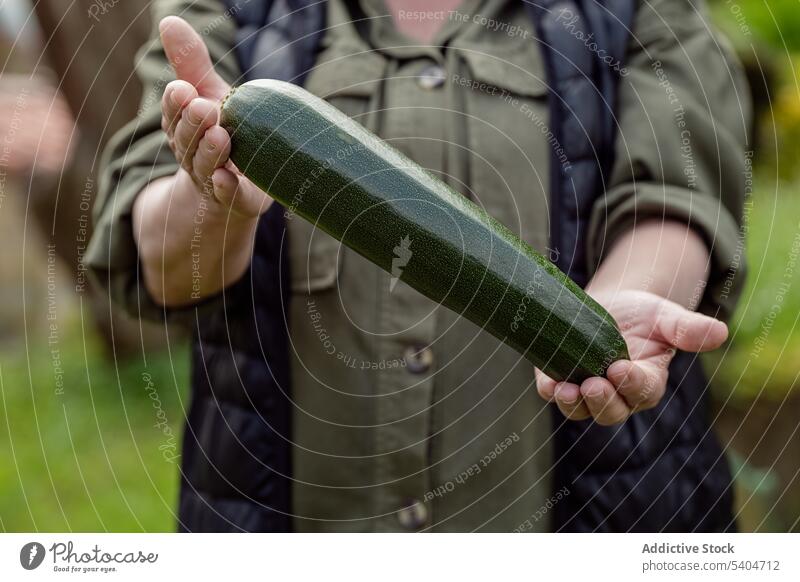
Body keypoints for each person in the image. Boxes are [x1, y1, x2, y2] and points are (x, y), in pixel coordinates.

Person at [87, 0, 751, 532]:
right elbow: (163, 266)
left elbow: (675, 192)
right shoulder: (238, 11)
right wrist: (214, 201)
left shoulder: (635, 12)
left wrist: (623, 302)